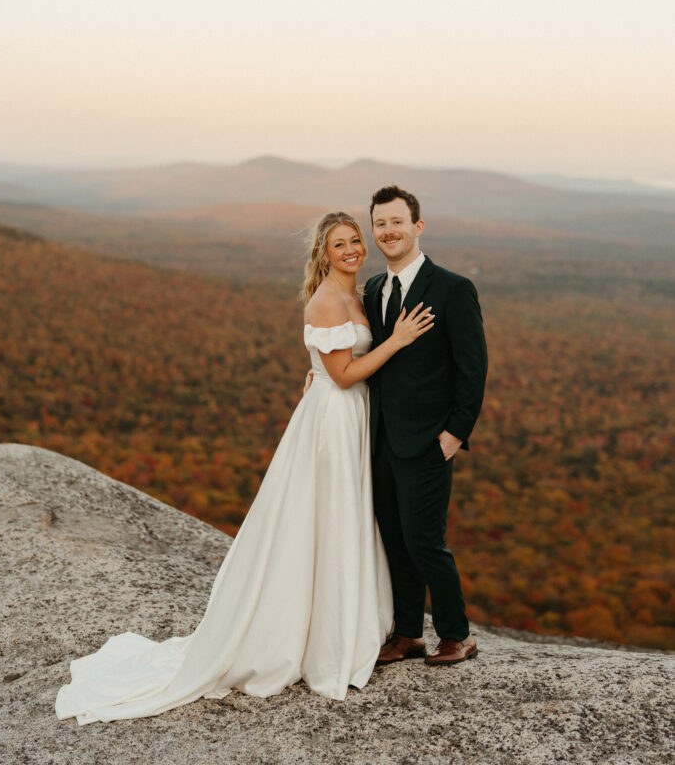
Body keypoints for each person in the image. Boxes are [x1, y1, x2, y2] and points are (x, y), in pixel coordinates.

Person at [55, 211, 433, 724]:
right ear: (324, 253)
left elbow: (329, 365)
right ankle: (313, 635)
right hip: (335, 419)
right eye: (340, 244)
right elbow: (343, 376)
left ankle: (343, 619)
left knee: (344, 517)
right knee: (326, 516)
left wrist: (324, 369)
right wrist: (397, 341)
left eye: (355, 241)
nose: (351, 250)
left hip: (351, 417)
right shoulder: (325, 300)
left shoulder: (359, 294)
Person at [364, 186, 487, 666]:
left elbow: (472, 367)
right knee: (393, 539)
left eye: (397, 222)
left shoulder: (452, 288)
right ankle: (409, 633)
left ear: (417, 226)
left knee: (425, 541)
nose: (387, 231)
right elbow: (368, 355)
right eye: (379, 224)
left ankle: (457, 634)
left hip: (430, 440)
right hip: (380, 440)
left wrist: (455, 434)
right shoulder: (375, 289)